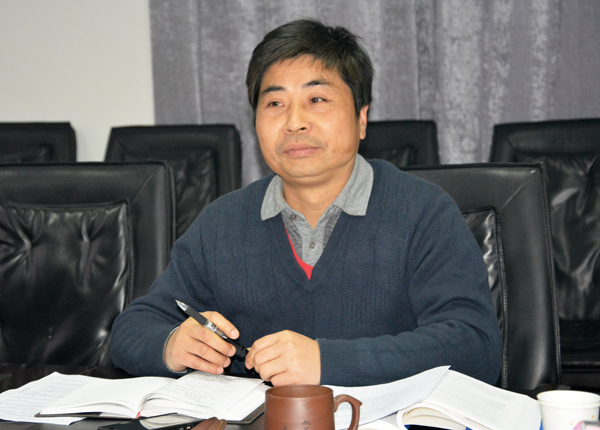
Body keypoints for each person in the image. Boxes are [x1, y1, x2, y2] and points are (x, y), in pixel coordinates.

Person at [111, 18, 501, 387]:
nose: (294, 122)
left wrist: (326, 361)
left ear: (361, 118)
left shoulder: (423, 212)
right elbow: (133, 328)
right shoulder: (222, 223)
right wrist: (172, 345)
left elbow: (474, 345)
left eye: (317, 99)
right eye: (274, 104)